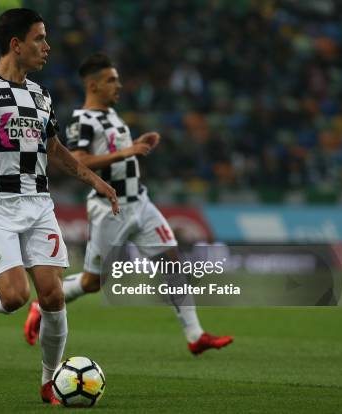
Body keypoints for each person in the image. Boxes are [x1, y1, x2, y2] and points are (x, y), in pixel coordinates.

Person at [0, 9, 118, 405]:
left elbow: (54, 150)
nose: (47, 47)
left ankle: (49, 383)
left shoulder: (41, 94)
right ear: (16, 44)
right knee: (15, 297)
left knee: (51, 295)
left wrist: (96, 180)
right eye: (39, 39)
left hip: (38, 204)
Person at [24, 53, 233, 355]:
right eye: (111, 80)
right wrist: (127, 152)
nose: (119, 85)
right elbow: (79, 161)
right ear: (93, 85)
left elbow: (117, 152)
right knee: (93, 282)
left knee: (172, 260)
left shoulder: (112, 115)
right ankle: (40, 305)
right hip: (111, 208)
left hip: (141, 202)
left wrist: (136, 146)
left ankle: (195, 335)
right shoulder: (82, 120)